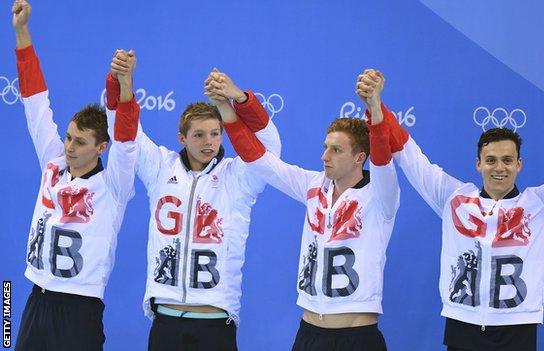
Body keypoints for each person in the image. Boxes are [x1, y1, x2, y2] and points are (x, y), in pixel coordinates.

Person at [356, 60, 544, 350]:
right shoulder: (454, 198)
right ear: (478, 164)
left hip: (517, 332)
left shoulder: (543, 204)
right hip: (462, 328)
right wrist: (376, 107)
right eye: (491, 160)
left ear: (519, 164)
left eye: (508, 160)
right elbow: (409, 154)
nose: (500, 168)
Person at [208, 68, 399, 351]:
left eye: (336, 150)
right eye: (325, 147)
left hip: (357, 337)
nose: (325, 156)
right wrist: (228, 104)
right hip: (309, 334)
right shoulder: (313, 185)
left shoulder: (381, 194)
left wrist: (374, 107)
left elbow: (383, 156)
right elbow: (258, 159)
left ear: (360, 157)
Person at [114, 63, 281, 350]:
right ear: (182, 138)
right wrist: (125, 84)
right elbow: (130, 134)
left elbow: (270, 147)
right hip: (165, 320)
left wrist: (239, 98)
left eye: (216, 133)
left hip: (214, 322)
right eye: (199, 135)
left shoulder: (237, 176)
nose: (209, 142)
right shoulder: (160, 168)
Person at [11, 1, 140, 350]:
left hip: (79, 308)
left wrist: (125, 84)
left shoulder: (113, 185)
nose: (69, 146)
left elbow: (127, 142)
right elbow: (35, 101)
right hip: (36, 299)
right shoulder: (52, 163)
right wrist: (22, 32)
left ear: (101, 147)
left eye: (80, 142)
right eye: (69, 137)